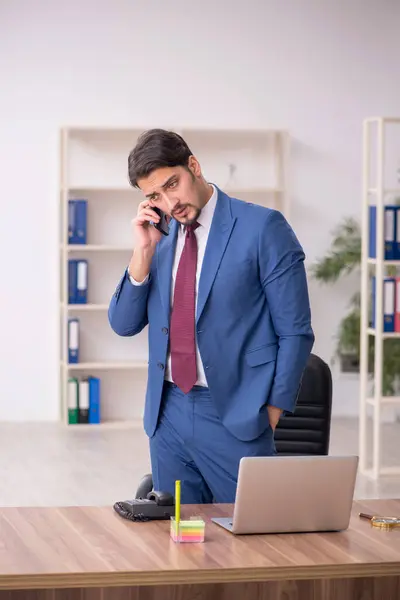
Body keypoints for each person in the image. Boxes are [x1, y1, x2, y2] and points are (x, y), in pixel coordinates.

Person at [108, 128, 314, 504]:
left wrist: (272, 411)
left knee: (253, 547)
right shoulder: (160, 237)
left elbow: (295, 332)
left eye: (173, 184)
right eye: (155, 195)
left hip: (235, 414)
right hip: (166, 413)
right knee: (180, 549)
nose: (170, 202)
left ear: (194, 165)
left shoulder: (262, 228)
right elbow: (123, 324)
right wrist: (143, 253)